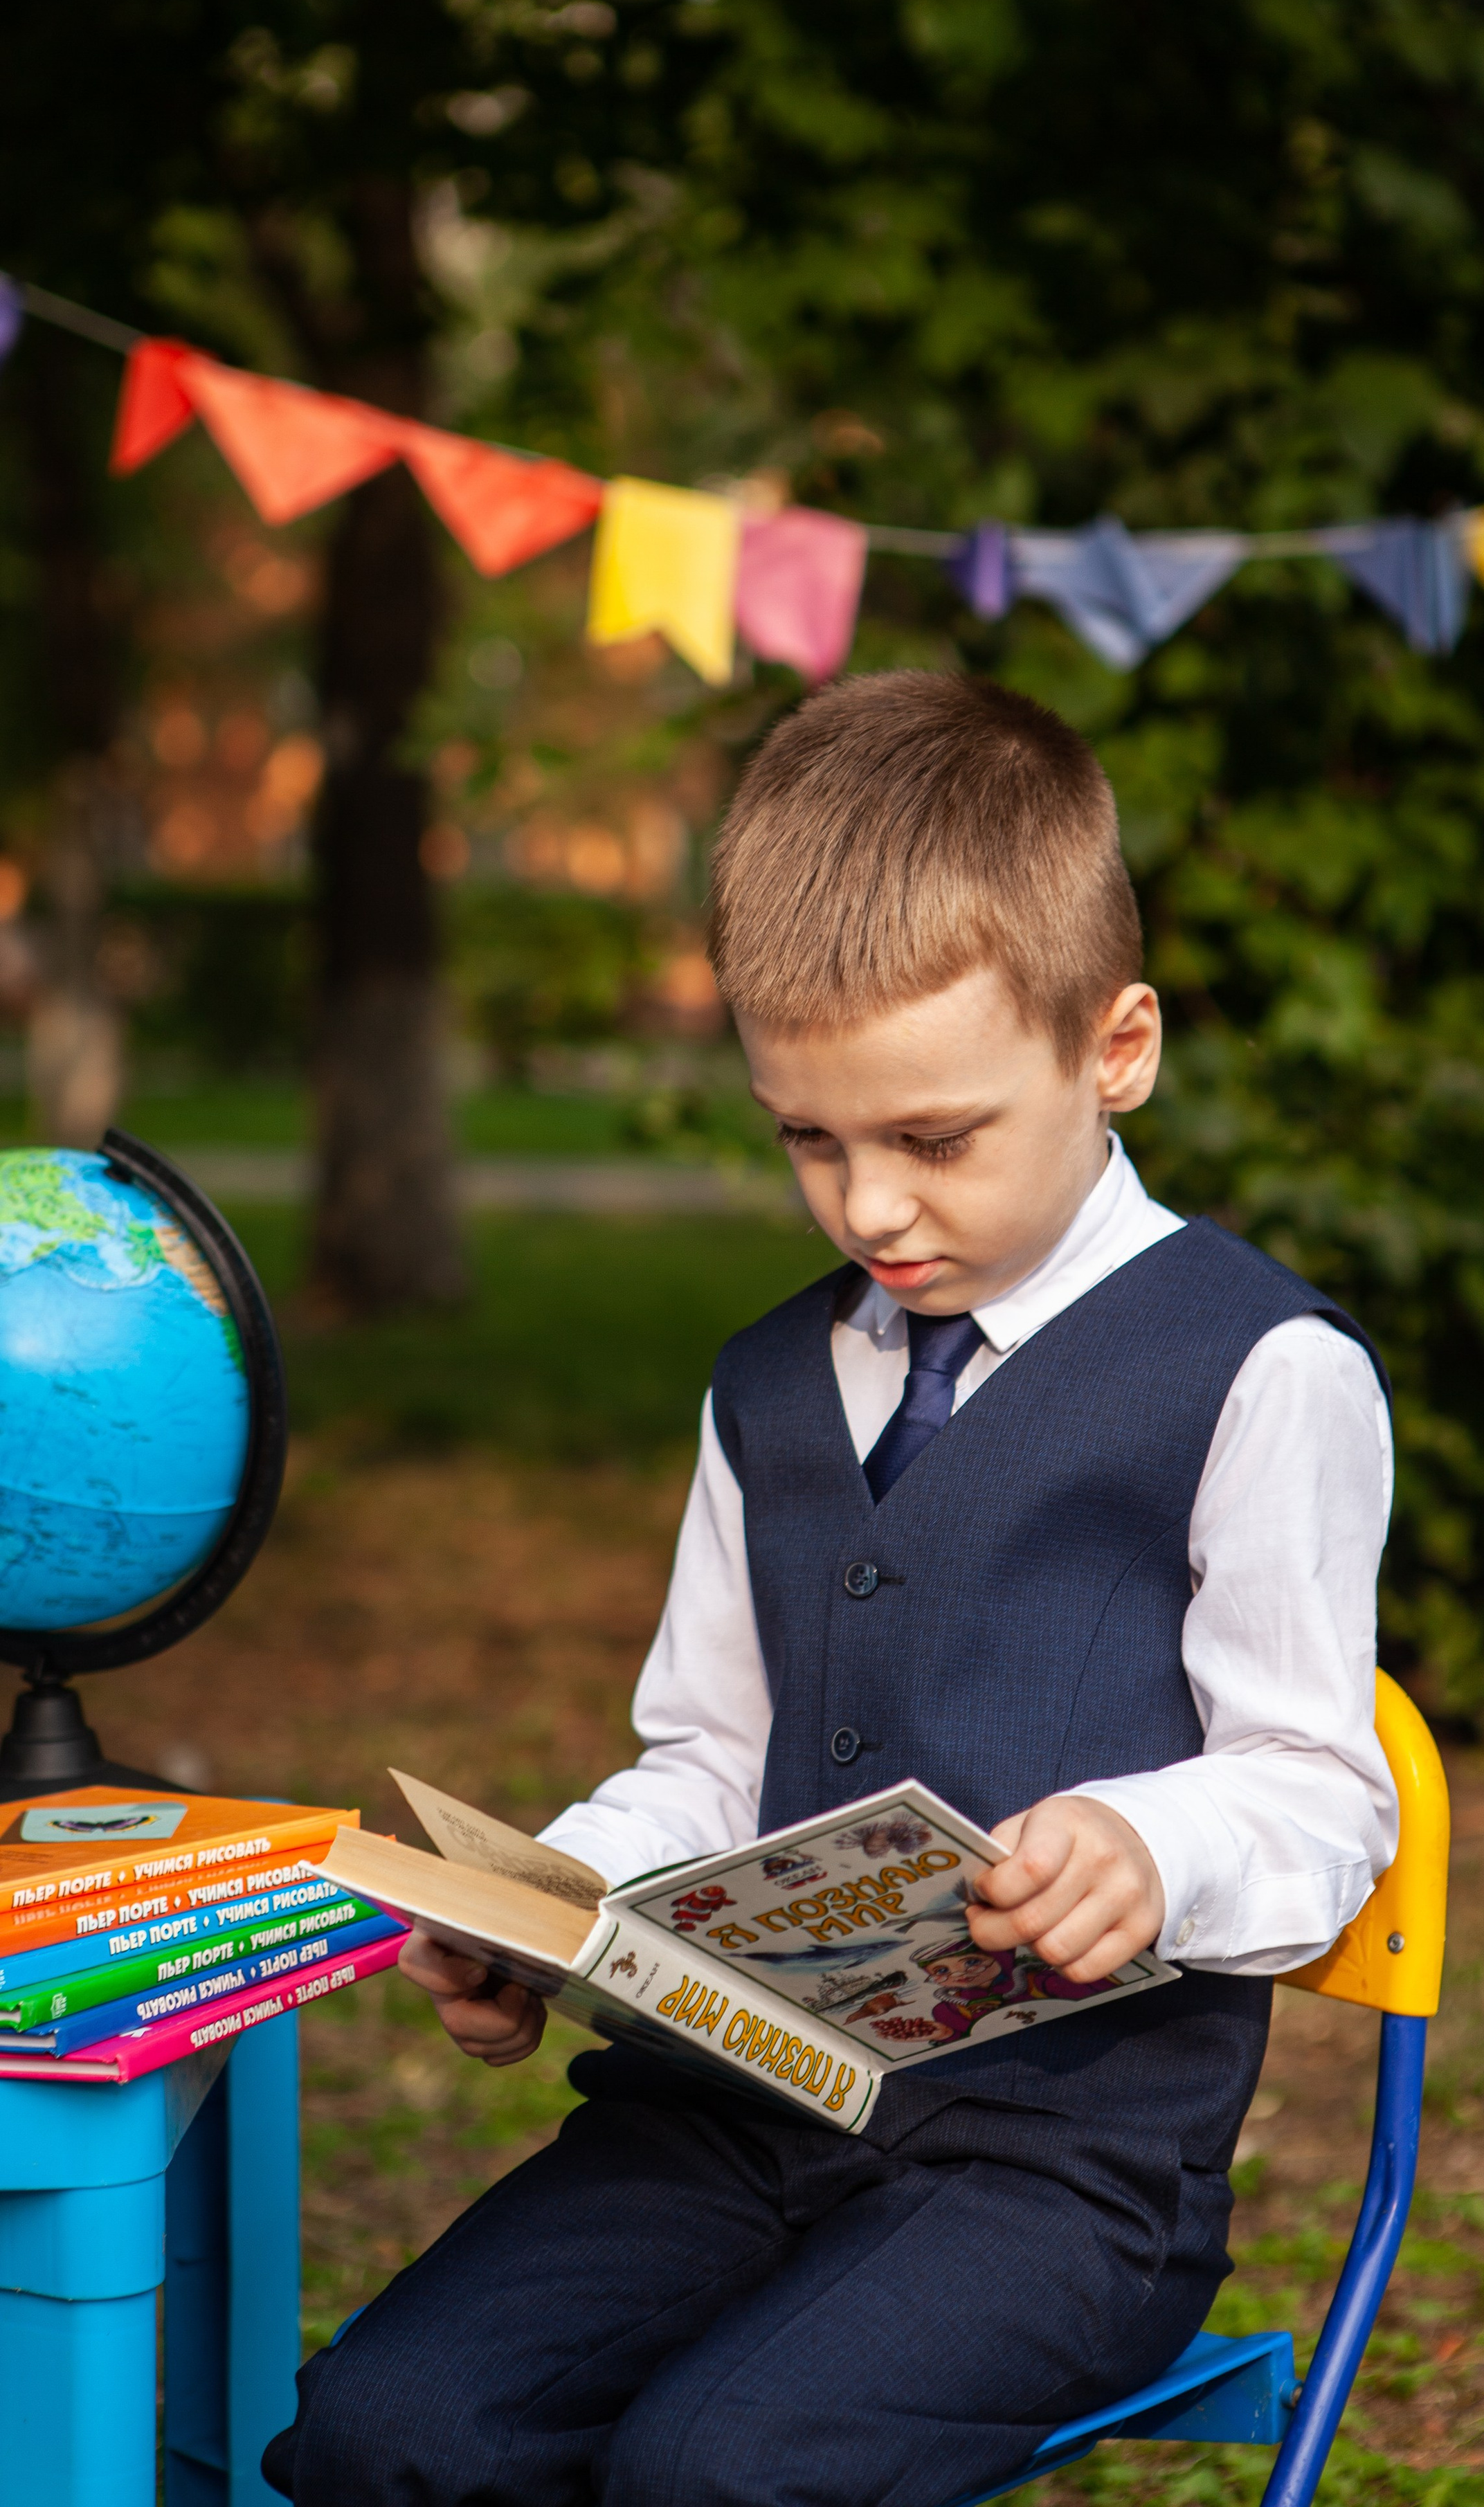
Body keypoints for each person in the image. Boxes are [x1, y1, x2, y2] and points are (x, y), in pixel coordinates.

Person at [264, 671, 1397, 2507]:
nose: (869, 1209)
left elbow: (1323, 1786)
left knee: (721, 2468)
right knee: (388, 2431)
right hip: (728, 2113)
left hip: (1054, 2175)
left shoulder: (1262, 1369)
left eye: (932, 1139)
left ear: (1118, 1048)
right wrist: (549, 1908)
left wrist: (1147, 1844)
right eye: (811, 1139)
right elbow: (712, 1758)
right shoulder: (767, 1386)